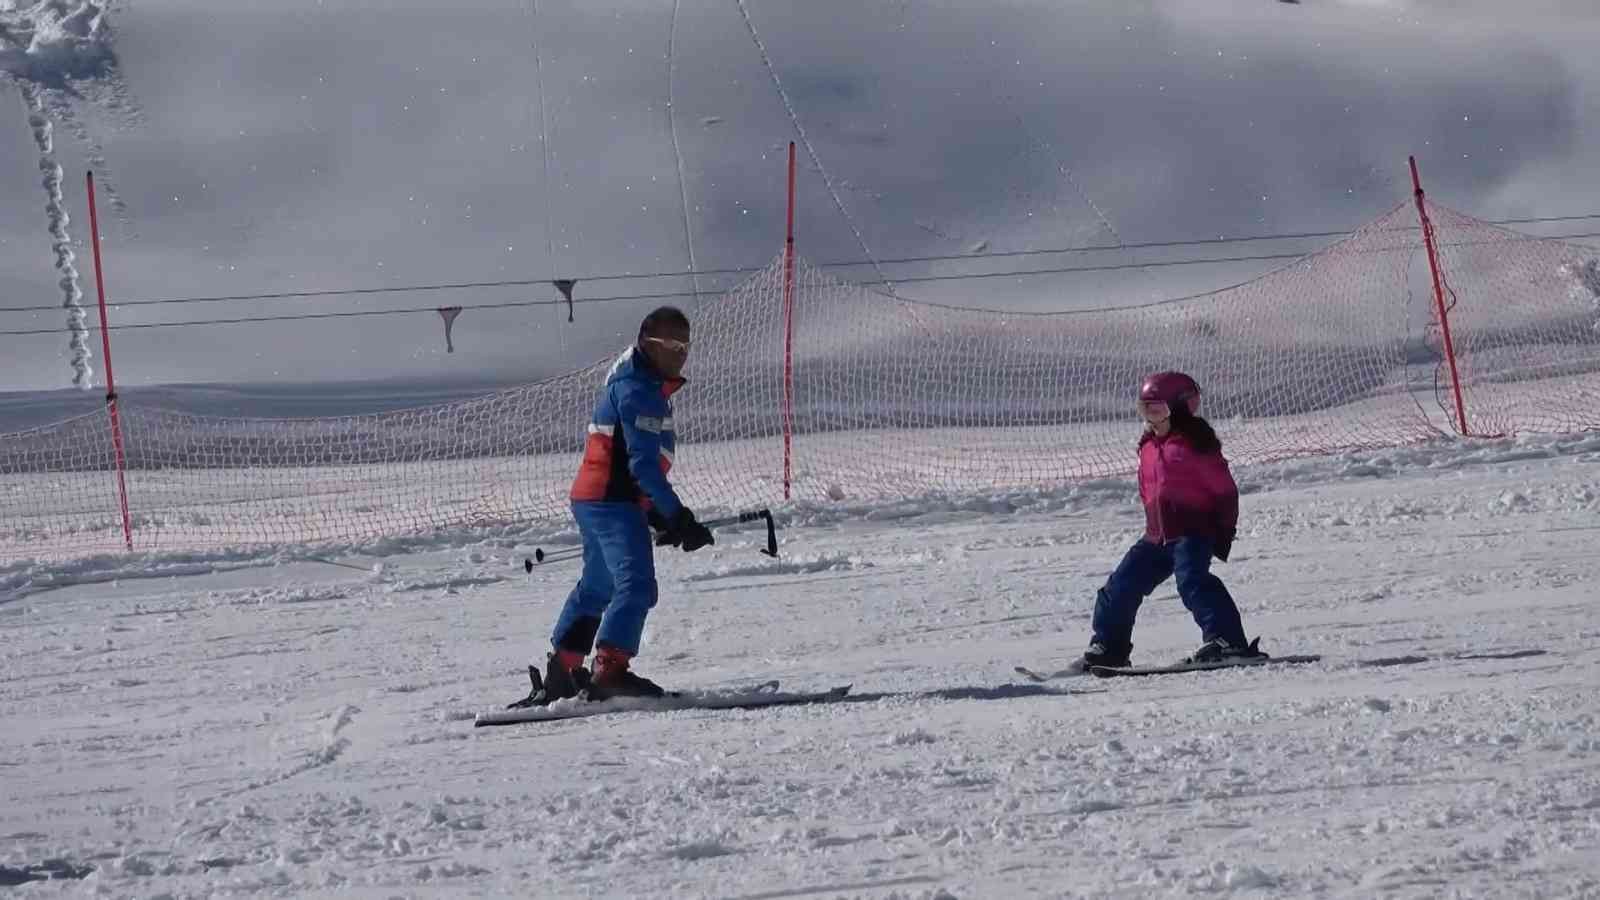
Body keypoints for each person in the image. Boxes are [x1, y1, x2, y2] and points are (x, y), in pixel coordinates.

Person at [511, 306, 715, 707]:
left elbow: (627, 459)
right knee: (636, 585)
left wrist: (655, 512)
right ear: (646, 343)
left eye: (685, 344)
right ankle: (610, 671)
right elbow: (641, 464)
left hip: (597, 498)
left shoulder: (632, 382)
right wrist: (677, 516)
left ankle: (563, 672)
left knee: (598, 586)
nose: (680, 352)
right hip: (612, 500)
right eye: (670, 343)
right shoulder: (639, 390)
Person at [1069, 371, 1264, 671]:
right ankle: (1110, 646)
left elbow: (1224, 489)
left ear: (1180, 407)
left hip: (1193, 531)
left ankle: (1228, 642)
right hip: (1157, 535)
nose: (1149, 416)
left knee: (1193, 583)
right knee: (1120, 586)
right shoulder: (1148, 446)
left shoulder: (1196, 444)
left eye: (1157, 408)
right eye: (1144, 408)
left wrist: (1224, 529)